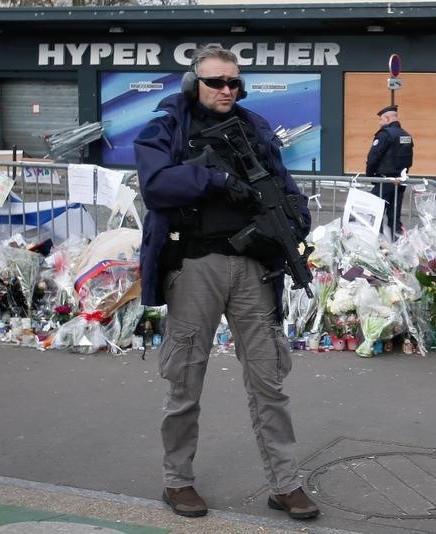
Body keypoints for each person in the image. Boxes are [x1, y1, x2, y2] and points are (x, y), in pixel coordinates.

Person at [134, 45, 319, 520]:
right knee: (185, 379)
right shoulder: (168, 126)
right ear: (193, 84)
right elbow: (155, 185)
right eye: (216, 81)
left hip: (252, 268)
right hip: (196, 265)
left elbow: (281, 183)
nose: (226, 90)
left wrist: (295, 219)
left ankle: (285, 483)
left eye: (234, 82)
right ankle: (178, 482)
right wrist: (212, 179)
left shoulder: (254, 128)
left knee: (268, 379)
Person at [366, 104, 414, 239]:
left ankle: (379, 248)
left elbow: (373, 158)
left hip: (384, 181)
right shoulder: (406, 136)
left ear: (387, 118)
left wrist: (371, 177)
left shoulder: (385, 135)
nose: (380, 123)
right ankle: (398, 248)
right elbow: (408, 159)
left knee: (376, 216)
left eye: (381, 120)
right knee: (394, 218)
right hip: (399, 182)